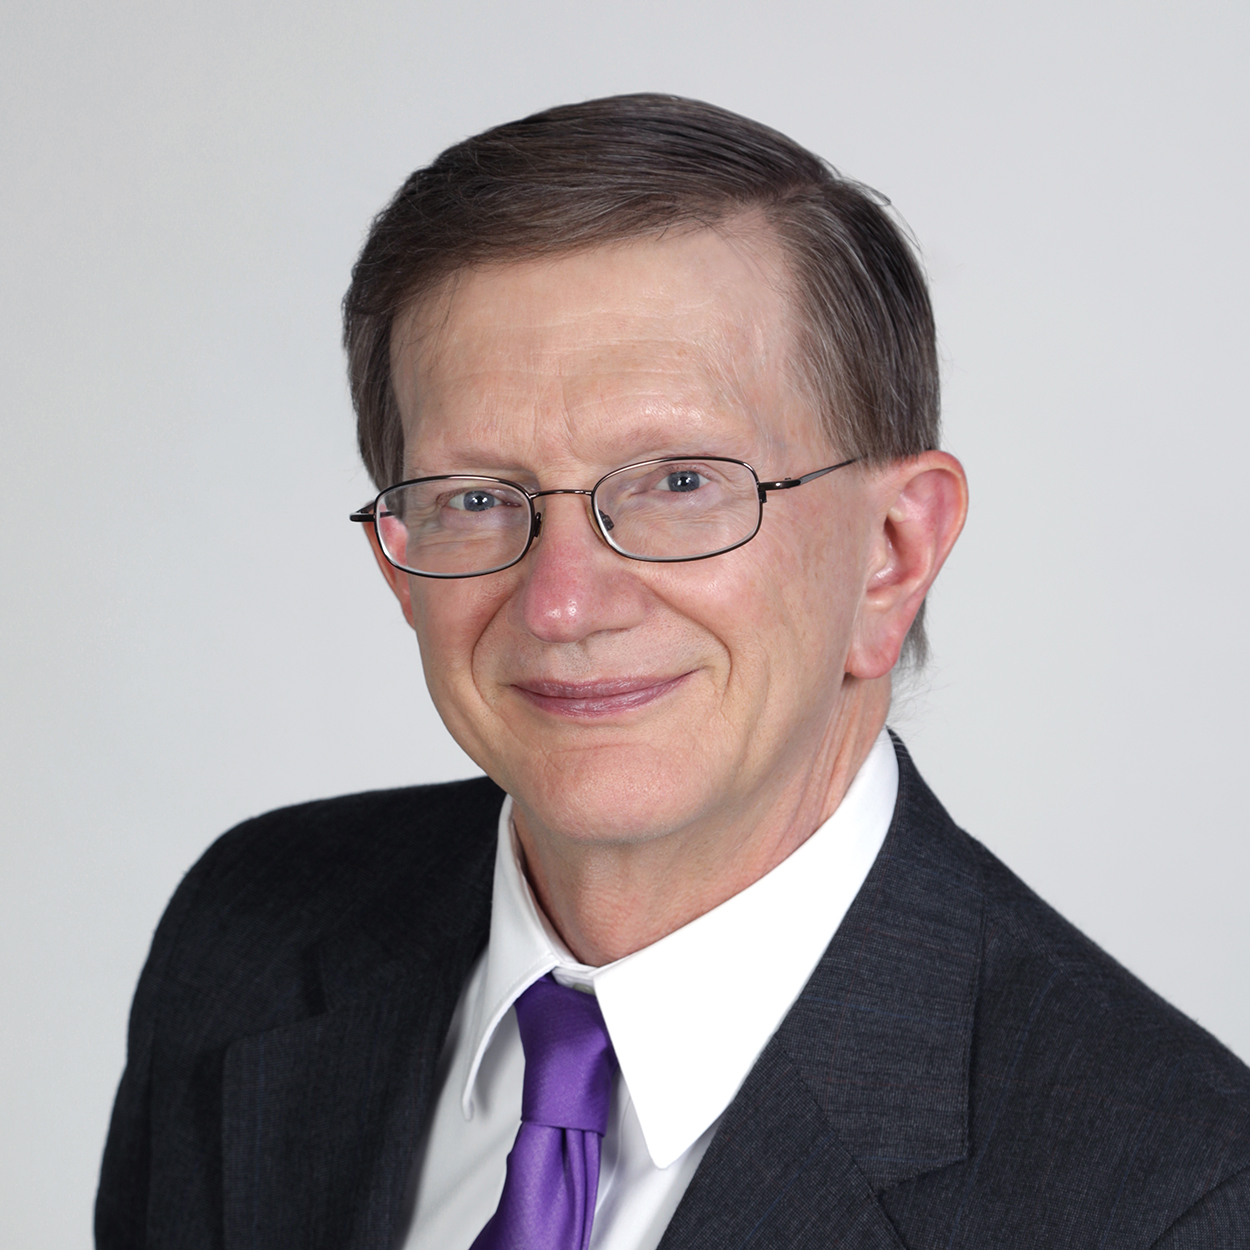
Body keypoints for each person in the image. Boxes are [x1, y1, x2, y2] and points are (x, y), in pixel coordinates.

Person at [96, 94, 1250, 1250]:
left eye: (681, 482)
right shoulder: (249, 932)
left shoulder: (1171, 1196)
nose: (563, 603)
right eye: (477, 497)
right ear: (399, 567)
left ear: (892, 553)